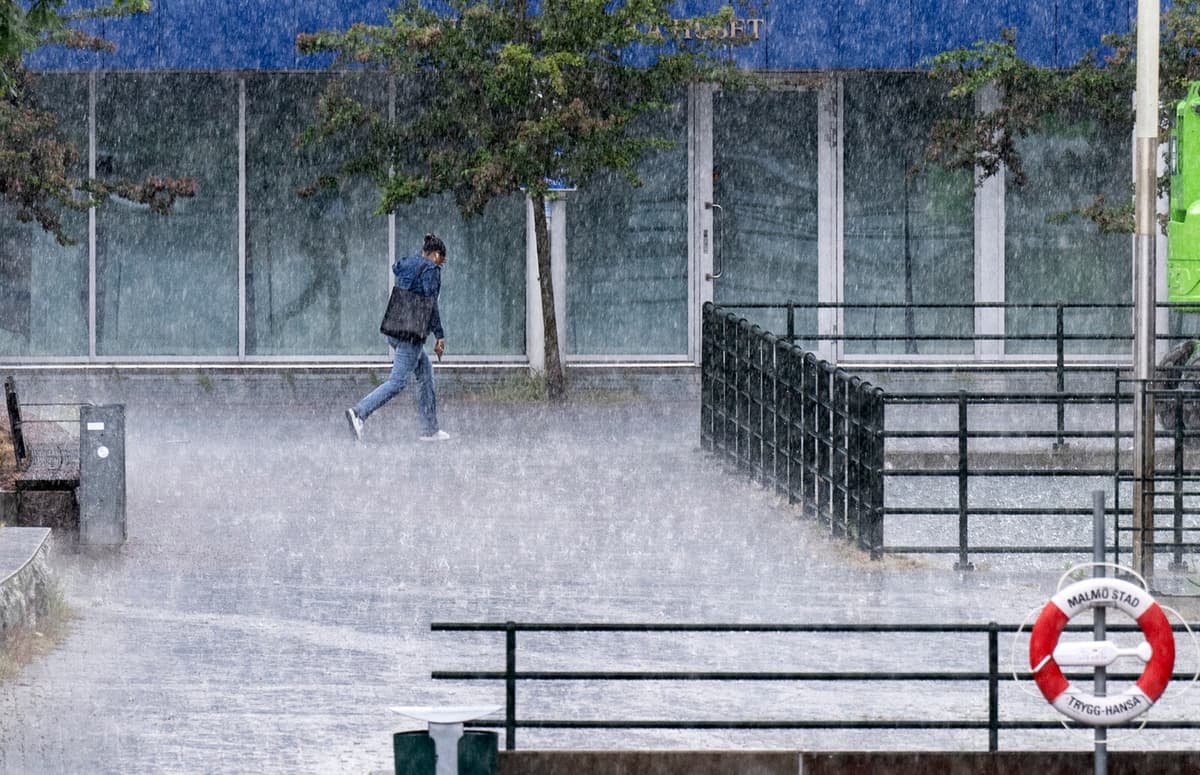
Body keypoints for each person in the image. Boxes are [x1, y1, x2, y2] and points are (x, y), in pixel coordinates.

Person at [346, 233, 449, 442]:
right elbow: (431, 305)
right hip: (410, 336)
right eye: (442, 259)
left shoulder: (408, 262)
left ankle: (430, 429)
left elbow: (396, 268)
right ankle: (359, 413)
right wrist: (440, 336)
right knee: (397, 382)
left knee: (425, 372)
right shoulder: (431, 270)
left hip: (396, 328)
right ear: (436, 255)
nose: (442, 264)